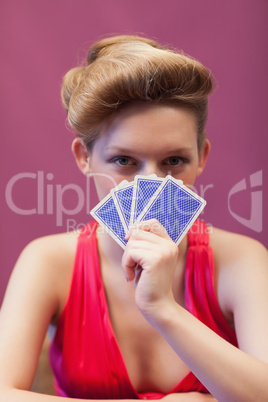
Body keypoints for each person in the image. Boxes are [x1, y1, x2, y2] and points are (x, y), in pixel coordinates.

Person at [0, 35, 267, 402]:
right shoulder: (47, 261)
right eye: (124, 161)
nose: (152, 186)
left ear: (201, 156)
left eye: (174, 161)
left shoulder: (241, 260)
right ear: (84, 158)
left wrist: (162, 309)